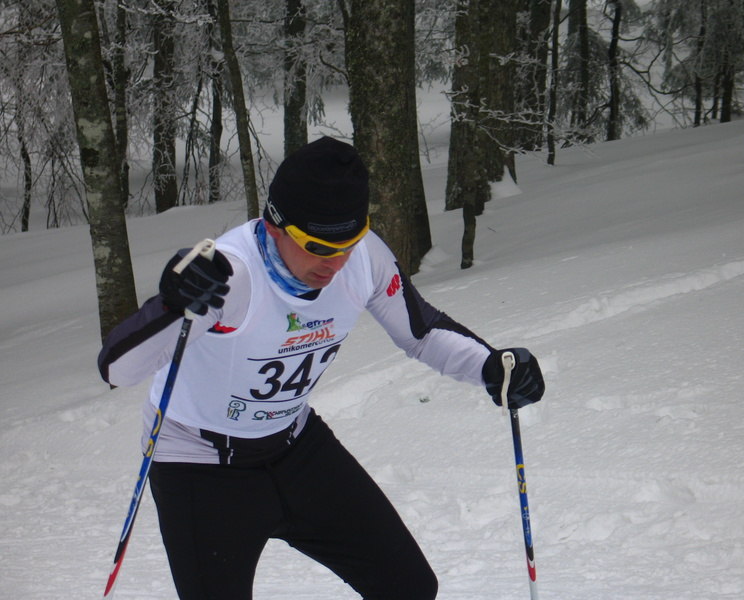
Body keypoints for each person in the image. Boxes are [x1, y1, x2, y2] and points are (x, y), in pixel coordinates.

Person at [98, 136, 544, 600]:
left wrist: (492, 367)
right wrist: (171, 306)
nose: (335, 263)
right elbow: (117, 370)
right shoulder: (229, 277)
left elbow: (422, 332)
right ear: (275, 226)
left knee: (408, 587)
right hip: (199, 464)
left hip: (295, 448)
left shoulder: (363, 259)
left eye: (348, 243)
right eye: (317, 246)